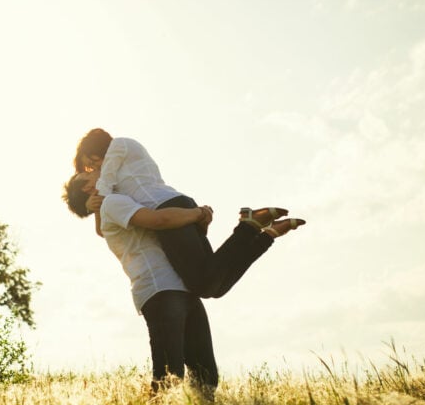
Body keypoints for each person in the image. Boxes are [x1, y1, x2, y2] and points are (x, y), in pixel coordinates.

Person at [72, 128, 305, 298]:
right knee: (214, 285)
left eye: (92, 163)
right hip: (177, 206)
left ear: (97, 149)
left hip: (168, 211)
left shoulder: (120, 146)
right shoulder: (118, 171)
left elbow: (104, 190)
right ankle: (263, 232)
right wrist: (96, 205)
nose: (95, 168)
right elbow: (103, 229)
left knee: (203, 283)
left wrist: (95, 201)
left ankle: (248, 226)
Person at [63, 169, 220, 395]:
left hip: (181, 288)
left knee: (206, 375)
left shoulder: (115, 202)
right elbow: (161, 219)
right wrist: (198, 213)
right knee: (169, 377)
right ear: (89, 188)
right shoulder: (113, 204)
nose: (100, 170)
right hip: (162, 291)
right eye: (90, 173)